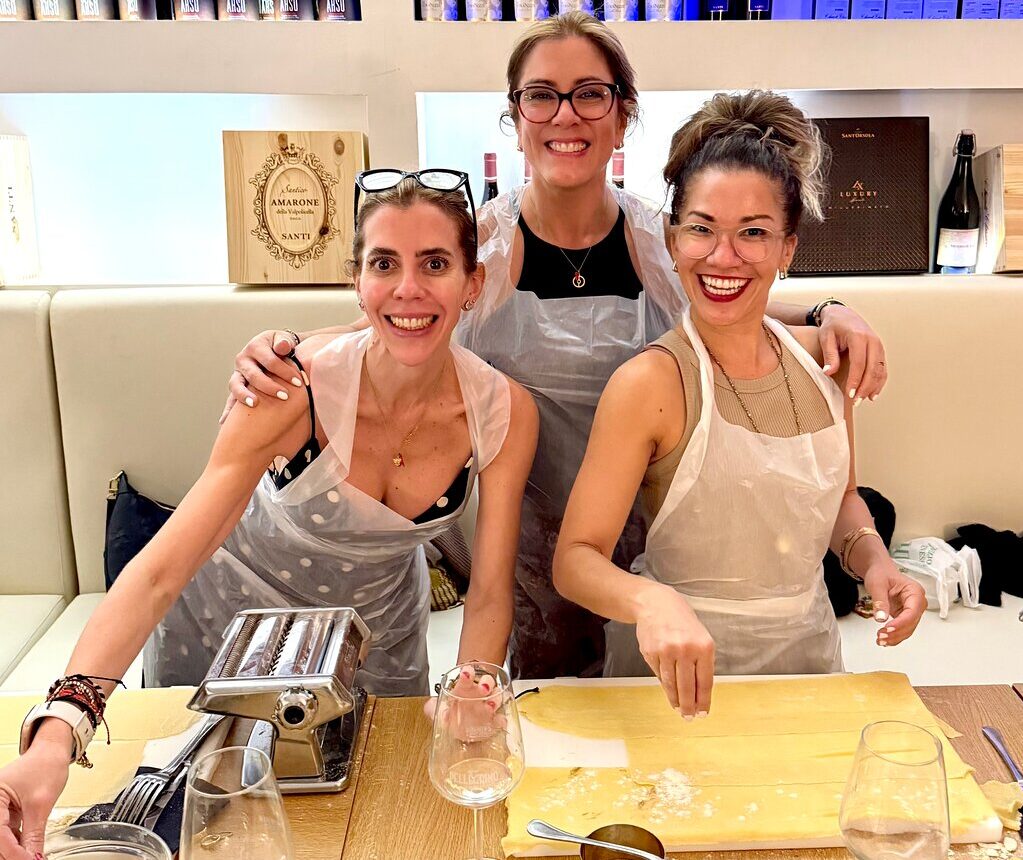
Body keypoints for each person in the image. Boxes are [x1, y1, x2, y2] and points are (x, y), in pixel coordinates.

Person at [222, 13, 890, 680]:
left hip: (658, 547)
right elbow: (396, 324)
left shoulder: (659, 241)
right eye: (541, 95)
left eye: (589, 94)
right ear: (515, 118)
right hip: (530, 554)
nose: (565, 115)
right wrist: (287, 348)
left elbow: (728, 287)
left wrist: (827, 311)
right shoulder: (478, 248)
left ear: (623, 117)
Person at [0, 175, 538, 860]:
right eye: (384, 264)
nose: (408, 288)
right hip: (231, 635)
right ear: (356, 281)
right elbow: (161, 571)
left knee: (385, 831)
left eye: (434, 263)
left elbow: (489, 590)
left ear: (471, 283)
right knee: (218, 832)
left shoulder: (502, 412)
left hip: (376, 644)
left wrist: (470, 686)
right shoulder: (288, 387)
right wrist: (57, 734)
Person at [552, 90, 926, 718]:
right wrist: (651, 601)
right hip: (670, 687)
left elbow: (840, 499)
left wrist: (876, 564)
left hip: (807, 668)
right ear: (672, 240)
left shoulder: (826, 360)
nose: (723, 257)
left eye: (753, 233)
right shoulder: (650, 383)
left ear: (787, 249)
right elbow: (574, 561)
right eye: (702, 229)